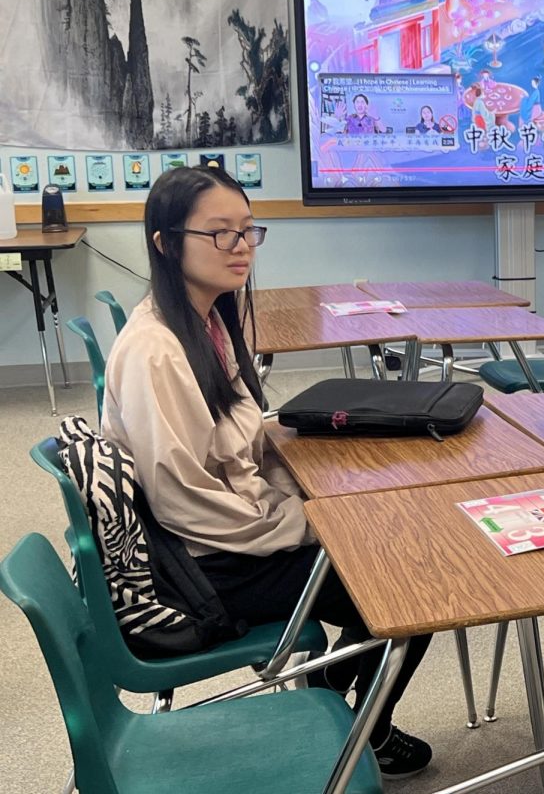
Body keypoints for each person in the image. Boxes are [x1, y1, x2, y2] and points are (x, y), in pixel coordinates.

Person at [101, 166, 433, 778]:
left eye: (250, 231)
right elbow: (186, 504)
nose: (242, 247)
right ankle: (352, 720)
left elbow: (239, 446)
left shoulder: (207, 321)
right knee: (409, 585)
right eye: (221, 234)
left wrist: (301, 500)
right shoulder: (156, 349)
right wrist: (302, 522)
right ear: (165, 242)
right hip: (203, 566)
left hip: (229, 534)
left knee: (388, 552)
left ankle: (333, 705)